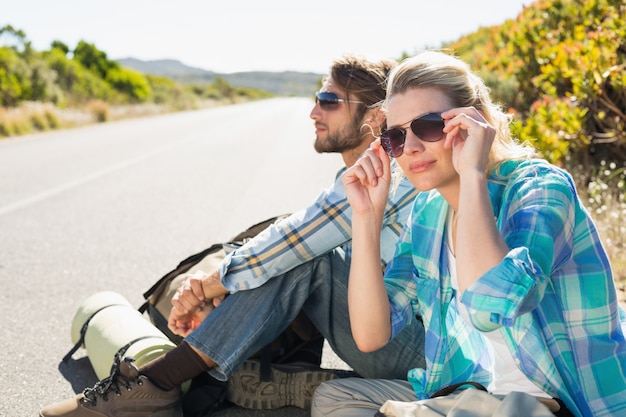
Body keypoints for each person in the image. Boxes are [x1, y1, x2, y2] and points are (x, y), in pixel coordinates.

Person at [40, 55, 427, 417]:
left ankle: (155, 384)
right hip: (394, 333)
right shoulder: (368, 176)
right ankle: (192, 378)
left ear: (375, 118)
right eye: (316, 98)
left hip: (424, 352)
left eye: (329, 100)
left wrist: (208, 286)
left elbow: (294, 240)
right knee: (294, 255)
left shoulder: (391, 173)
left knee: (308, 255)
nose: (313, 111)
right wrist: (223, 289)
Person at [311, 50, 626, 417]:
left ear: (472, 122)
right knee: (334, 400)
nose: (410, 147)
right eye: (395, 137)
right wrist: (366, 218)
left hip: (564, 403)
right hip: (477, 395)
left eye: (428, 126)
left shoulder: (540, 189)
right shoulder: (429, 213)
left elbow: (489, 309)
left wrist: (473, 174)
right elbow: (370, 335)